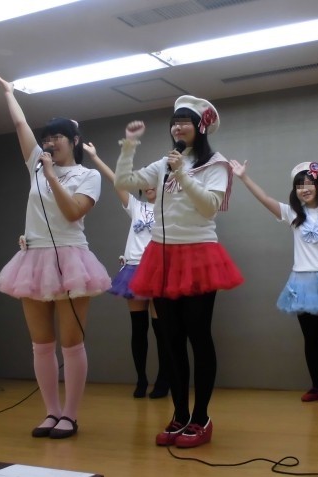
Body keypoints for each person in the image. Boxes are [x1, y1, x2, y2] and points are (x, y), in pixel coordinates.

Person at [114, 95, 243, 448]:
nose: (178, 127)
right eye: (174, 122)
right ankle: (179, 415)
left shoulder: (216, 164)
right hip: (163, 255)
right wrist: (129, 146)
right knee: (170, 341)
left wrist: (182, 173)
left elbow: (209, 207)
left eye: (185, 121)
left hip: (198, 253)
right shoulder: (163, 163)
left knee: (198, 336)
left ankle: (201, 418)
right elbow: (124, 180)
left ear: (201, 127)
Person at [0, 73, 111, 439]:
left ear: (74, 141)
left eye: (57, 136)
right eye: (47, 137)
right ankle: (51, 412)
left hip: (72, 258)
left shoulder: (88, 176)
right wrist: (10, 93)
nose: (49, 142)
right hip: (33, 258)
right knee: (41, 344)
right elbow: (20, 125)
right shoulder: (36, 166)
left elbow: (73, 212)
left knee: (72, 343)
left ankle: (70, 415)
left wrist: (51, 176)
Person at [229, 159, 318, 403]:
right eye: (299, 185)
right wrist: (244, 177)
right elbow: (265, 199)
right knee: (311, 338)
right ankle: (316, 386)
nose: (304, 189)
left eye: (309, 183)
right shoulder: (293, 213)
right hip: (302, 282)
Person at [83, 143, 169, 399]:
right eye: (147, 182)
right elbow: (116, 181)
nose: (150, 186)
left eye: (155, 181)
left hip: (158, 269)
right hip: (133, 269)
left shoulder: (169, 208)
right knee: (138, 328)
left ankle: (164, 379)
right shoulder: (136, 206)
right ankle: (141, 379)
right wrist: (96, 158)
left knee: (161, 329)